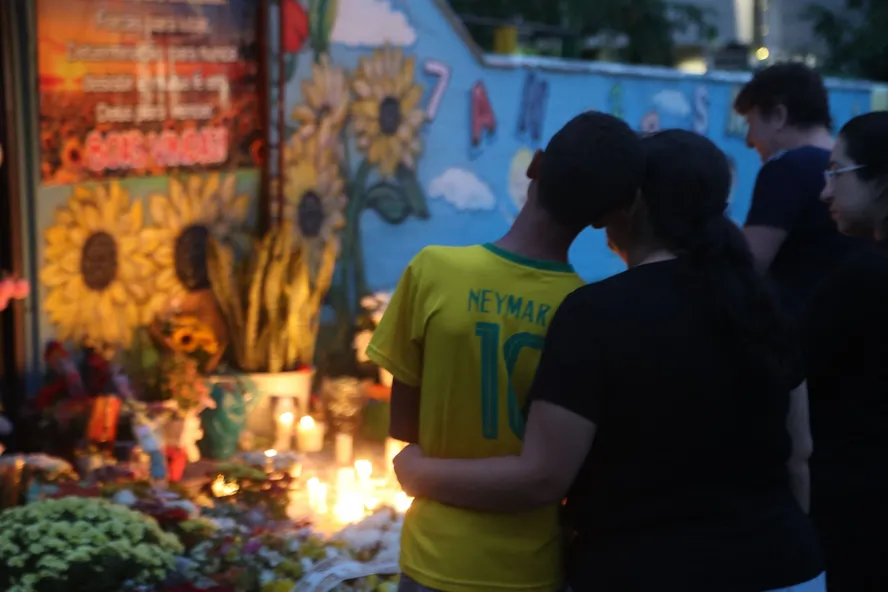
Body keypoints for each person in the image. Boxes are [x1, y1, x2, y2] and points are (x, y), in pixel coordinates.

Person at [393, 130, 824, 592]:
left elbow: (541, 475)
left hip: (642, 570)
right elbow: (799, 455)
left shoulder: (595, 313)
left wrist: (418, 472)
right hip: (786, 566)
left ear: (630, 204)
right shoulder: (764, 306)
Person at [366, 112, 645, 592]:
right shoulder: (587, 311)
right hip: (529, 569)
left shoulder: (433, 272)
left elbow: (405, 429)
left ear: (534, 166)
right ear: (603, 218)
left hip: (435, 554)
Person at [800, 111, 888, 591]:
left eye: (836, 172)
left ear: (881, 181)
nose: (824, 191)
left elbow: (787, 369)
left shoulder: (864, 280)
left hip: (857, 516)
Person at [734, 62, 863, 318]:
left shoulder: (786, 168)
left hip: (799, 335)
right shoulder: (856, 168)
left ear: (779, 116)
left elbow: (744, 265)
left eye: (751, 123)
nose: (749, 141)